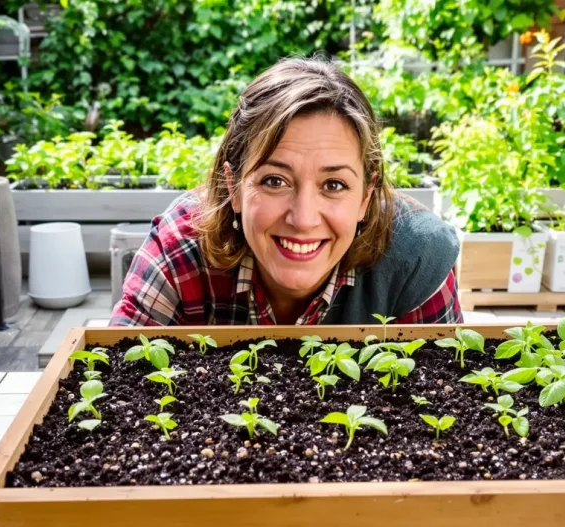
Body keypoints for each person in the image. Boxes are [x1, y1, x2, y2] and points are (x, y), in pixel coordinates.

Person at [110, 56, 461, 326]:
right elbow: (117, 378)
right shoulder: (181, 249)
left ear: (365, 197)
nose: (303, 219)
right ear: (233, 186)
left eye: (334, 185)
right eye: (274, 181)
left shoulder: (416, 259)